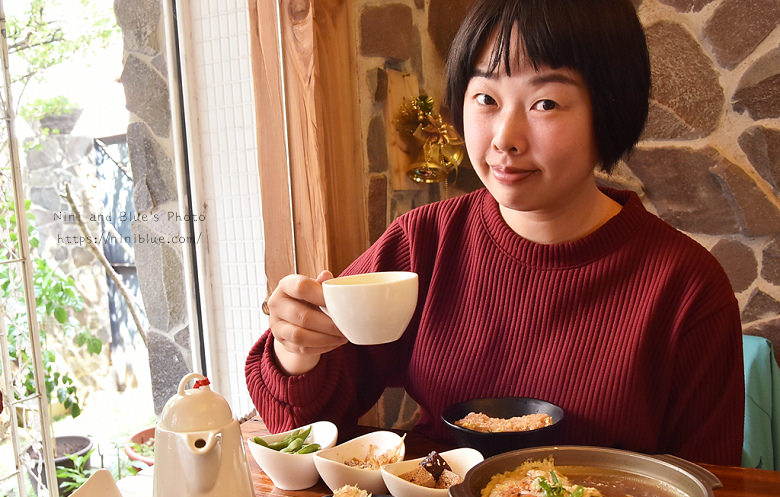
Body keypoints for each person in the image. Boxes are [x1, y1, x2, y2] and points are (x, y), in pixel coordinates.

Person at [246, 0, 744, 465]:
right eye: (485, 97)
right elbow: (303, 432)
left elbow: (708, 484)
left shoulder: (687, 287)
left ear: (610, 109)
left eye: (545, 103)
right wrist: (297, 352)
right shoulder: (426, 243)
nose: (504, 138)